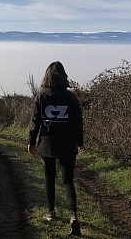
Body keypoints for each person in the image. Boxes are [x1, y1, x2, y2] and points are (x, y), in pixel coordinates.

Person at [27, 61, 84, 236]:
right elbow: (77, 123)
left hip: (47, 144)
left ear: (47, 76)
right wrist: (80, 141)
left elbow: (35, 121)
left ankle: (50, 212)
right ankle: (73, 215)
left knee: (49, 178)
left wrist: (31, 141)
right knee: (67, 181)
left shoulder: (41, 96)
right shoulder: (71, 98)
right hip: (67, 144)